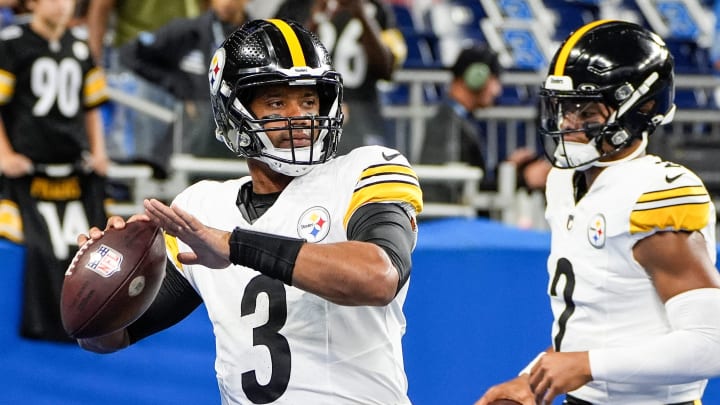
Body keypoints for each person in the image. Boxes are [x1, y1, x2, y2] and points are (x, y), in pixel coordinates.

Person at [76, 19, 423, 404]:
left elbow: (378, 278)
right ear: (232, 111)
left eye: (309, 100)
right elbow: (108, 338)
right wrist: (100, 281)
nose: (300, 117)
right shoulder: (203, 207)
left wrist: (234, 245)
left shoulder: (366, 170)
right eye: (276, 102)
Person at [476, 20, 720, 405]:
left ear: (642, 108)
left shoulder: (655, 192)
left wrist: (588, 364)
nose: (568, 124)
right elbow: (601, 322)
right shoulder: (564, 182)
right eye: (564, 108)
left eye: (586, 110)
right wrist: (533, 380)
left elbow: (712, 345)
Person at [0, 0, 110, 342]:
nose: (62, 5)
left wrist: (99, 152)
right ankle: (35, 326)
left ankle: (87, 323)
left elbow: (91, 106)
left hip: (74, 174)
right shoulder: (11, 42)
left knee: (84, 248)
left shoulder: (78, 46)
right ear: (32, 2)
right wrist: (4, 155)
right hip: (27, 174)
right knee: (35, 247)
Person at [420, 44, 550, 203]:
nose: (498, 91)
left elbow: (470, 180)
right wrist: (523, 179)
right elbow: (451, 187)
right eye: (495, 80)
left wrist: (507, 170)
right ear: (476, 76)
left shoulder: (456, 119)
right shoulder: (447, 123)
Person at [119, 0, 250, 158]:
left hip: (240, 134)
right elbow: (131, 54)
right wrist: (178, 84)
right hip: (192, 135)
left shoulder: (257, 36)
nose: (226, 2)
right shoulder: (187, 31)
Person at [276, 0, 407, 154]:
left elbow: (387, 69)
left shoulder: (379, 10)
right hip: (305, 112)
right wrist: (315, 20)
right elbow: (279, 62)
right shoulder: (294, 6)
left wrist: (363, 17)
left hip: (361, 115)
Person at [85, 0, 205, 169]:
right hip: (137, 58)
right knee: (138, 152)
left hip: (186, 56)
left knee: (185, 148)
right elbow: (101, 6)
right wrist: (93, 66)